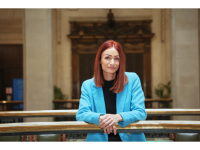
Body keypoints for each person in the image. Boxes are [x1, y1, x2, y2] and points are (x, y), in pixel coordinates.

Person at [76, 40, 147, 142]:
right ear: (100, 60)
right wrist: (102, 118)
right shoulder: (88, 85)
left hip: (130, 140)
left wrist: (118, 117)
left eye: (116, 58)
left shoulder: (132, 79)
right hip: (99, 141)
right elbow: (81, 114)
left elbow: (141, 112)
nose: (112, 62)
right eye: (107, 57)